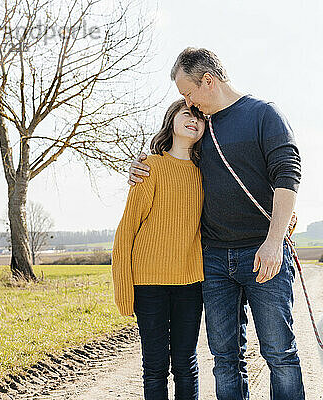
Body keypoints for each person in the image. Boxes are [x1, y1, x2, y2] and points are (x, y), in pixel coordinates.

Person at [129, 47, 305, 400]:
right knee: (225, 359)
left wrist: (274, 241)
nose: (188, 103)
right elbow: (175, 167)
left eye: (188, 92)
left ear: (207, 81)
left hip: (262, 251)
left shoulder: (263, 114)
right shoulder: (200, 128)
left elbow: (288, 173)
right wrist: (139, 168)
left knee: (279, 354)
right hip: (213, 260)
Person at [112, 99, 207, 400]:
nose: (193, 120)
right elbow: (126, 230)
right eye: (186, 114)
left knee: (186, 364)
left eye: (199, 117)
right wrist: (123, 291)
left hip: (190, 283)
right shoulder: (149, 168)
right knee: (154, 367)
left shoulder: (205, 173)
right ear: (171, 121)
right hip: (148, 283)